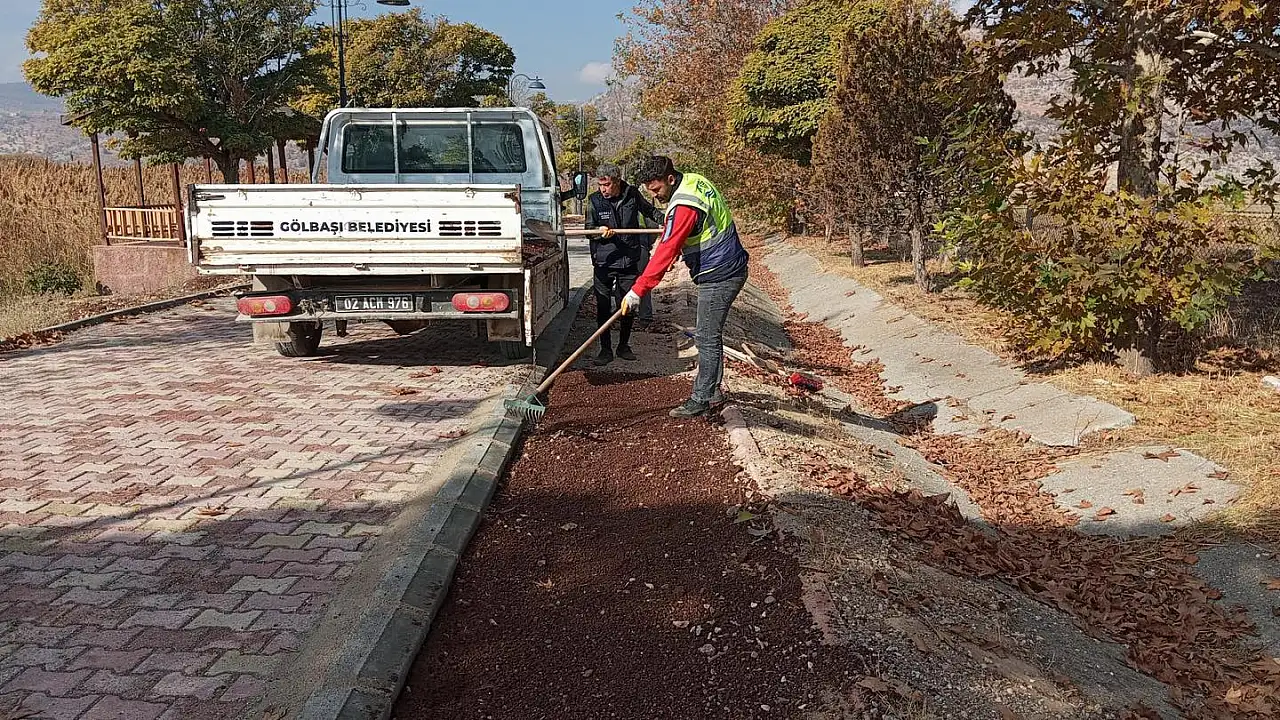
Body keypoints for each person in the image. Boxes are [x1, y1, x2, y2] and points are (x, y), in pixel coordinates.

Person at [621, 156, 750, 418]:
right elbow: (699, 228)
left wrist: (638, 290)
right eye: (649, 190)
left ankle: (701, 398)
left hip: (719, 272)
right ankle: (712, 392)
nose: (654, 196)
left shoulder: (683, 205)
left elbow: (666, 248)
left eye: (656, 189)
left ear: (670, 179)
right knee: (709, 335)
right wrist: (680, 249)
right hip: (728, 263)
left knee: (706, 336)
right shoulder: (693, 181)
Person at [584, 163, 664, 365]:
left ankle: (623, 346)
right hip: (604, 261)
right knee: (603, 307)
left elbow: (650, 211)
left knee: (627, 305)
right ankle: (605, 349)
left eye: (607, 185)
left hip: (628, 259)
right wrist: (598, 231)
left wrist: (668, 221)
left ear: (617, 182)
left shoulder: (632, 195)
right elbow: (588, 229)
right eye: (600, 185)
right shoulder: (594, 201)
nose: (603, 189)